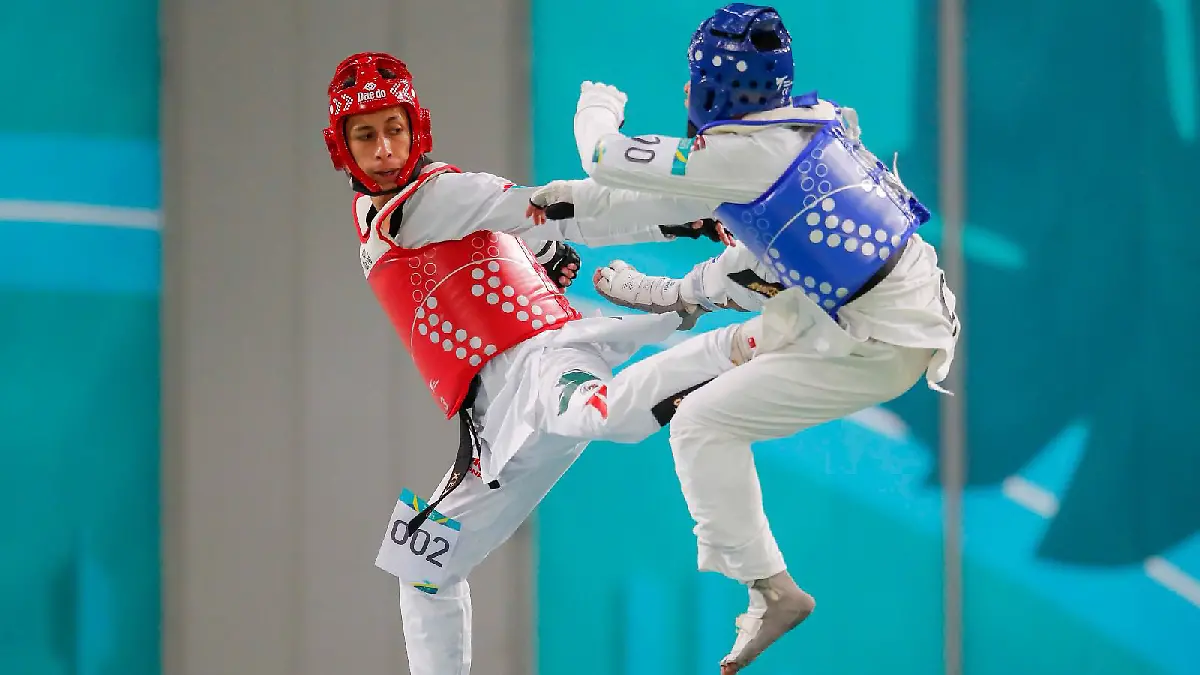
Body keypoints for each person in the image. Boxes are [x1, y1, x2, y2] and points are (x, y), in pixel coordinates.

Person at [526, 3, 961, 672]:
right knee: (725, 326)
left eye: (691, 78)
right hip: (868, 308)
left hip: (871, 341)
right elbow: (717, 231)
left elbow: (606, 162)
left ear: (707, 87)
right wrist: (558, 211)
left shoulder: (736, 155)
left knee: (701, 425)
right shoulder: (802, 124)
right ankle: (677, 312)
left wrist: (597, 107)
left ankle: (772, 588)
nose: (683, 92)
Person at [322, 51, 751, 675]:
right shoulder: (382, 211)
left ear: (418, 129)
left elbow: (568, 208)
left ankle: (739, 348)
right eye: (366, 135)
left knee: (600, 413)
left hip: (541, 360)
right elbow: (538, 231)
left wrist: (691, 217)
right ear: (342, 147)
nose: (385, 148)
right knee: (424, 568)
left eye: (395, 128)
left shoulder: (432, 195)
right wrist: (544, 250)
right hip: (495, 420)